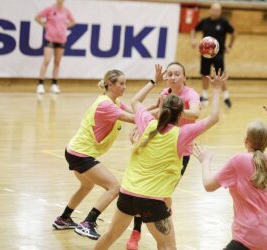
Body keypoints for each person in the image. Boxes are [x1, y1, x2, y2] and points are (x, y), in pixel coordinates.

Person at [94, 65, 228, 250]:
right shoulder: (183, 134)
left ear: (161, 109)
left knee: (110, 236)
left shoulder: (147, 123)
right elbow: (214, 118)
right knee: (168, 247)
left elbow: (135, 101)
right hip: (153, 200)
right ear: (181, 114)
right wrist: (217, 89)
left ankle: (135, 233)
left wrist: (152, 82)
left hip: (127, 194)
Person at [193, 93, 267, 250]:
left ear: (246, 141)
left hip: (246, 238)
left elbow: (208, 185)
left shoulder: (239, 161)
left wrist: (205, 161)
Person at [52, 70, 135, 240]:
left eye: (125, 83)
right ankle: (87, 223)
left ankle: (64, 219)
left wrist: (160, 105)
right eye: (121, 83)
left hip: (73, 150)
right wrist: (165, 115)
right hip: (81, 154)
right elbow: (135, 118)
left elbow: (139, 111)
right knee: (114, 188)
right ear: (110, 85)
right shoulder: (107, 105)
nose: (124, 87)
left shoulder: (114, 101)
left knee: (86, 186)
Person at [126, 62, 201, 250]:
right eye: (170, 74)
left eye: (177, 74)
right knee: (145, 190)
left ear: (184, 77)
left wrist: (174, 109)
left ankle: (164, 223)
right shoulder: (164, 94)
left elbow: (195, 114)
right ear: (165, 77)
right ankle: (136, 232)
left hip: (180, 153)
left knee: (164, 194)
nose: (173, 77)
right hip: (159, 150)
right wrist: (139, 124)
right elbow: (159, 114)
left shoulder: (190, 94)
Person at [190, 2, 237, 107]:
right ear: (210, 10)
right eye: (214, 9)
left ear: (220, 11)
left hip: (219, 54)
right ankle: (204, 96)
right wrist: (192, 40)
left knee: (220, 76)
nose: (216, 11)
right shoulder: (205, 22)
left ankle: (226, 97)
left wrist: (229, 46)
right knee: (205, 74)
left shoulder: (224, 22)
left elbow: (234, 33)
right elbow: (194, 29)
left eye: (218, 10)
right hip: (205, 54)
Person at [35, 0, 75, 94]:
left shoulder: (66, 11)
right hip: (50, 38)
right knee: (47, 60)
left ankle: (54, 84)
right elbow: (37, 17)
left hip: (61, 39)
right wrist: (45, 25)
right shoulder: (49, 9)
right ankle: (40, 84)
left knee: (57, 62)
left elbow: (73, 21)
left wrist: (65, 26)